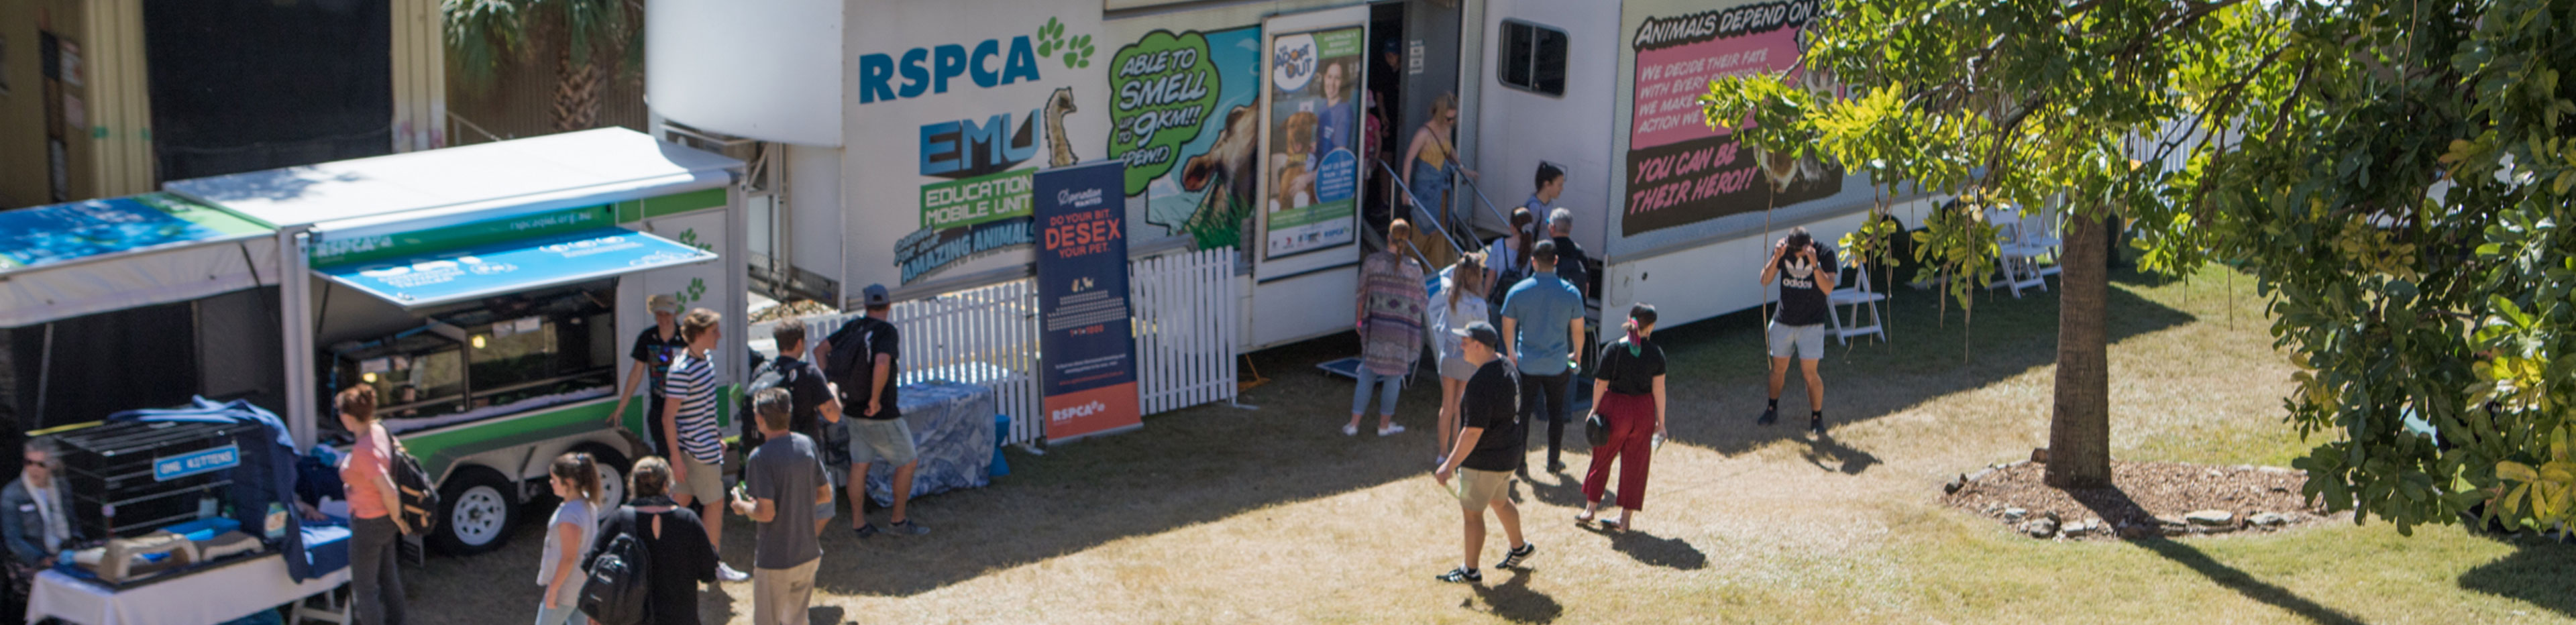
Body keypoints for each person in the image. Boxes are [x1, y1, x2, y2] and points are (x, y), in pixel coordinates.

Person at [817, 284, 930, 538]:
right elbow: (882, 362)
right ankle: (898, 522)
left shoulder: (854, 327)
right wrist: (876, 399)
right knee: (908, 462)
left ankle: (859, 523)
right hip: (879, 412)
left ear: (866, 306)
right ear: (889, 306)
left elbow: (819, 350)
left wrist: (832, 387)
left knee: (860, 464)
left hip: (851, 409)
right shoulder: (886, 331)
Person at [1432, 321, 1536, 583]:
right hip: (1509, 454)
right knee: (1500, 501)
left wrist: (1449, 465)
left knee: (1472, 514)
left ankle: (1471, 571)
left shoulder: (1480, 383)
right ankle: (1519, 547)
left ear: (1479, 346)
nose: (1461, 346)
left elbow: (1472, 432)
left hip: (1485, 461)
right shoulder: (1507, 365)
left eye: (1465, 342)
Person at [731, 389, 833, 625]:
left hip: (776, 560)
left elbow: (766, 513)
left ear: (759, 418)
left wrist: (741, 506)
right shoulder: (806, 444)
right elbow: (824, 494)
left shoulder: (760, 457)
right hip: (808, 554)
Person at [661, 308, 749, 581]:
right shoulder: (682, 370)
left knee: (680, 503)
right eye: (714, 332)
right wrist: (675, 459)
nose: (719, 336)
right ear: (698, 334)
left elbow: (705, 409)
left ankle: (661, 559)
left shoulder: (706, 360)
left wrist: (717, 436)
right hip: (696, 453)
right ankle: (712, 565)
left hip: (702, 447)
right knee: (714, 504)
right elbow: (668, 418)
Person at [590, 457, 717, 625]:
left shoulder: (619, 520)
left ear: (633, 485)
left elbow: (591, 565)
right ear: (666, 484)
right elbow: (709, 571)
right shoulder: (687, 520)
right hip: (681, 619)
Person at [1577, 304, 1668, 532]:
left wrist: (1594, 409)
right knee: (1636, 465)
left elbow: (1600, 383)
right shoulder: (1656, 353)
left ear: (1630, 320)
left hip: (1615, 408)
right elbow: (1659, 389)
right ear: (1651, 327)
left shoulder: (1613, 349)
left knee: (1602, 457)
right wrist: (1661, 422)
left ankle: (1590, 509)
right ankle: (1624, 519)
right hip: (1644, 411)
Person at [751, 319, 845, 537]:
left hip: (769, 452)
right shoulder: (809, 374)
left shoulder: (762, 372)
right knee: (824, 505)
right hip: (800, 454)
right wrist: (833, 391)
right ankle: (803, 544)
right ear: (800, 343)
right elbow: (833, 415)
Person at [1499, 240, 1586, 473]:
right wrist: (1577, 355)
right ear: (1556, 261)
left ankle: (1520, 463)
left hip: (1526, 363)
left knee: (1523, 413)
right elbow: (1578, 331)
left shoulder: (1518, 291)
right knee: (1556, 413)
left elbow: (1507, 325)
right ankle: (1553, 461)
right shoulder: (1570, 293)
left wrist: (1510, 352)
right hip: (1557, 363)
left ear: (1534, 261)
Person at [335, 386, 410, 625]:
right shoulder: (378, 430)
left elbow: (388, 489)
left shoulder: (363, 451)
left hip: (369, 523)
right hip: (386, 520)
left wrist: (399, 518)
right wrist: (395, 519)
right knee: (389, 578)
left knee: (365, 590)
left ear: (348, 417)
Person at [1349, 219, 1429, 437]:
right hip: (1401, 331)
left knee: (1368, 372)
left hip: (1376, 326)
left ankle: (1354, 424)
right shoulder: (1414, 269)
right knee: (1394, 377)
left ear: (1388, 237)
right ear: (1408, 239)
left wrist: (1359, 321)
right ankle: (1384, 426)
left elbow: (1361, 294)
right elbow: (1422, 302)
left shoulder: (1372, 263)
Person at [1758, 227, 1837, 435]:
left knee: (1810, 374)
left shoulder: (1825, 252)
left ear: (1809, 244)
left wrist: (1815, 265)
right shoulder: (1784, 251)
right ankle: (1772, 408)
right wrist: (1776, 258)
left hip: (1812, 324)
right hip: (1784, 321)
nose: (1795, 257)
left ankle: (1816, 417)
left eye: (1800, 253)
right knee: (1778, 370)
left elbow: (1828, 288)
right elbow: (1765, 280)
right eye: (1793, 253)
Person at [3, 437, 80, 604]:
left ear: (52, 465)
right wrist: (41, 559)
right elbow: (13, 540)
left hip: (62, 550)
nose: (34, 469)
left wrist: (75, 544)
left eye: (41, 464)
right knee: (64, 593)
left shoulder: (61, 485)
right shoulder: (13, 495)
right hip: (33, 557)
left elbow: (71, 521)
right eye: (29, 462)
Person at [1430, 251, 1491, 460]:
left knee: (1446, 406)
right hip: (1468, 358)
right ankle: (1457, 453)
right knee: (1460, 407)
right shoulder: (1479, 305)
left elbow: (1445, 274)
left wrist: (1462, 265)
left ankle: (1442, 453)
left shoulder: (1450, 296)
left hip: (1448, 354)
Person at [611, 294, 685, 453]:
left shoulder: (685, 337)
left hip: (684, 409)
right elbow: (636, 373)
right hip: (659, 407)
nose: (663, 318)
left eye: (667, 314)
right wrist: (621, 407)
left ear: (675, 314)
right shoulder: (647, 338)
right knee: (665, 453)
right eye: (659, 314)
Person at [535, 453, 603, 625]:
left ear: (569, 483)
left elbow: (569, 557)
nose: (551, 483)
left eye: (555, 480)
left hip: (566, 590)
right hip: (582, 587)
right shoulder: (588, 503)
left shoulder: (570, 515)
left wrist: (553, 590)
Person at [1402, 93, 1477, 231]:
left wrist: (1461, 167)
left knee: (1441, 228)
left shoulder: (1446, 130)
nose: (1451, 122)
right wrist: (1405, 189)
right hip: (1425, 187)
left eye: (1453, 119)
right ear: (1440, 114)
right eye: (1448, 118)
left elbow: (1449, 149)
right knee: (1424, 226)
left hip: (1442, 188)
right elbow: (1409, 160)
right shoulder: (1423, 133)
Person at [1546, 207, 1595, 300]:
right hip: (1573, 308)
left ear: (1552, 227)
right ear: (1571, 228)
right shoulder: (1581, 253)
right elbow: (1586, 287)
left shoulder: (1546, 250)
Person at [1313, 60, 1358, 158]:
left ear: (1343, 82)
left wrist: (1311, 174)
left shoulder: (1344, 111)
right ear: (1324, 78)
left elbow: (1339, 155)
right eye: (1329, 77)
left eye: (1337, 78)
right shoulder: (1323, 109)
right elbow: (1321, 143)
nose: (1332, 84)